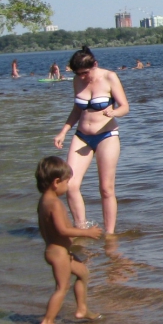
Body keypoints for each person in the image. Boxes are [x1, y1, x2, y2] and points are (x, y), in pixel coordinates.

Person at [53, 46, 128, 235]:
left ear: (95, 64)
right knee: (70, 185)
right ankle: (82, 229)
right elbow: (77, 109)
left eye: (85, 72)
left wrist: (114, 112)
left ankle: (109, 234)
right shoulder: (77, 80)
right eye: (78, 73)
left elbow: (125, 106)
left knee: (106, 188)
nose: (82, 77)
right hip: (82, 136)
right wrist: (63, 131)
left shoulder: (109, 77)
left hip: (106, 135)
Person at [35, 157, 103, 324]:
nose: (68, 186)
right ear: (56, 182)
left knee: (83, 272)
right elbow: (63, 231)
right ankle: (47, 321)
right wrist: (86, 232)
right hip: (58, 253)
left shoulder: (43, 201)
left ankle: (82, 309)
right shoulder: (55, 204)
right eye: (67, 182)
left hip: (58, 251)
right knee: (62, 287)